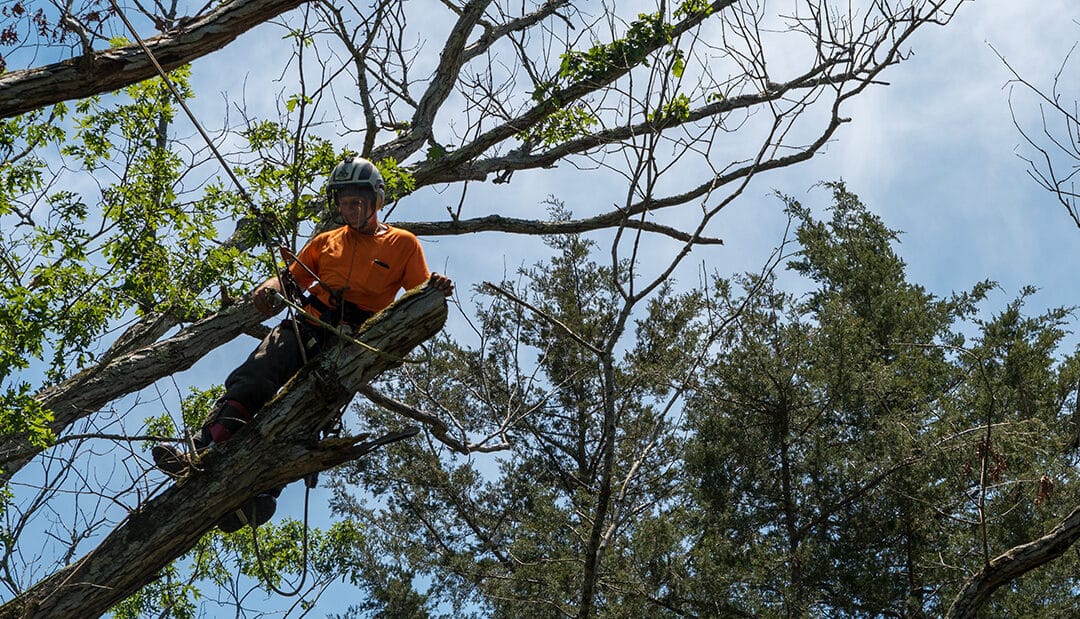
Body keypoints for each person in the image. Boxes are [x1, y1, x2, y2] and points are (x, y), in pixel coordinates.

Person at [152, 156, 453, 531]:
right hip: (308, 320)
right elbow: (291, 281)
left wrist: (435, 290)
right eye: (345, 201)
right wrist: (268, 289)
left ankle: (260, 495)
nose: (352, 207)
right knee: (257, 373)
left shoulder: (402, 244)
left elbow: (418, 296)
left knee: (309, 408)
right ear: (336, 204)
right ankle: (202, 449)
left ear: (376, 200)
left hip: (356, 338)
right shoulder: (325, 242)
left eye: (359, 199)